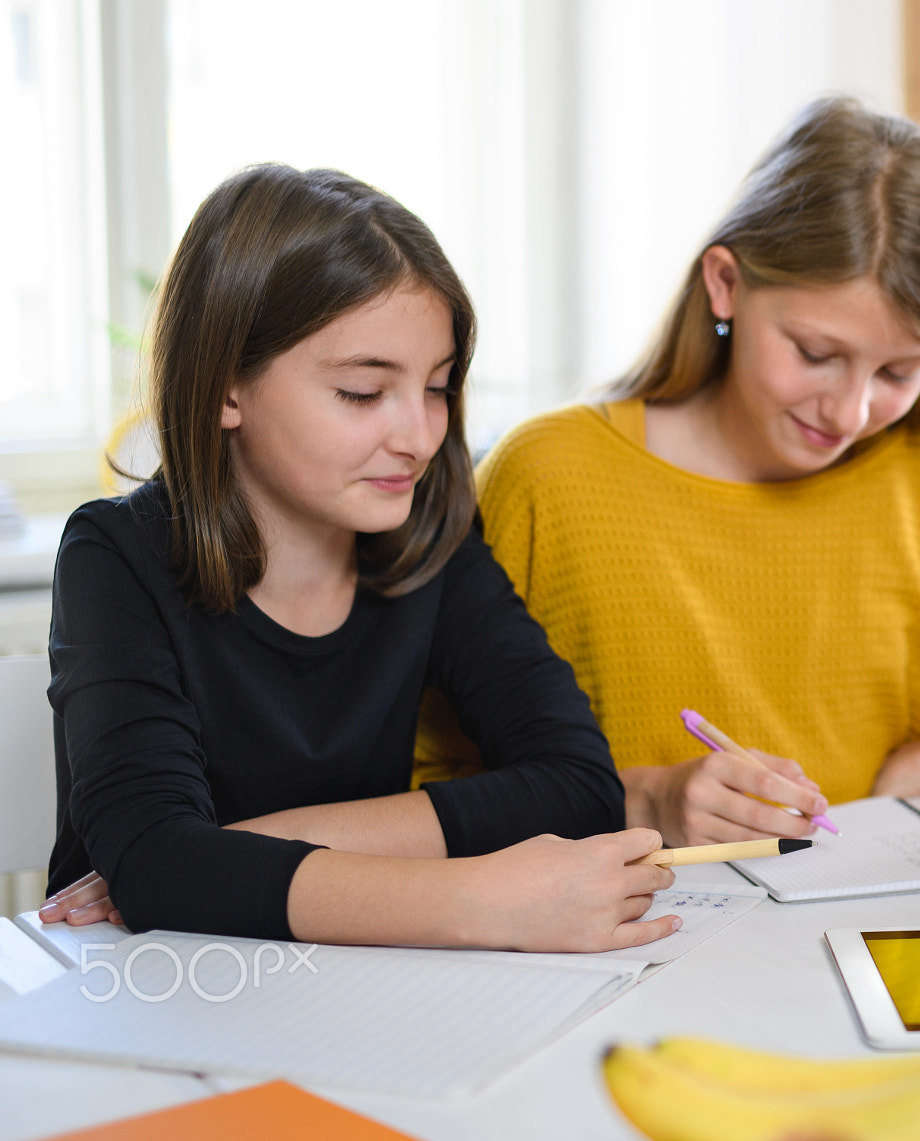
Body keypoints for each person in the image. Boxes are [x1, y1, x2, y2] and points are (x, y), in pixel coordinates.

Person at [414, 96, 920, 849]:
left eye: (898, 371)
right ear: (725, 284)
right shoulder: (547, 480)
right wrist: (638, 797)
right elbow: (419, 788)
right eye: (816, 353)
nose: (848, 411)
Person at [37, 165, 674, 951]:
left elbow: (579, 787)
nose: (419, 435)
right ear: (224, 388)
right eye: (364, 394)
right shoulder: (114, 556)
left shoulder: (430, 541)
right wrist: (476, 898)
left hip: (341, 973)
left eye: (438, 387)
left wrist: (237, 846)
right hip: (134, 983)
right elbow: (161, 869)